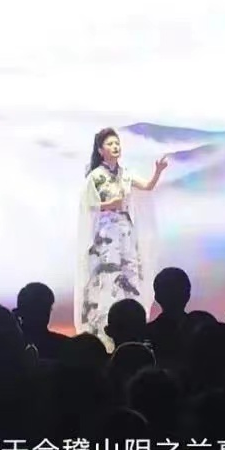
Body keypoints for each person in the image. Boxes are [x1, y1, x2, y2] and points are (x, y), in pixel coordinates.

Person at [76, 128, 167, 347]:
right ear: (100, 150)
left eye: (117, 143)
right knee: (108, 278)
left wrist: (158, 171)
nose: (115, 147)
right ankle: (105, 331)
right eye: (110, 144)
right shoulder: (95, 176)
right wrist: (110, 205)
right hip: (106, 234)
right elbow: (88, 206)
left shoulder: (125, 173)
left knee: (129, 275)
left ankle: (132, 327)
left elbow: (147, 186)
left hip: (126, 231)